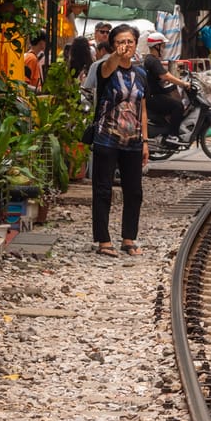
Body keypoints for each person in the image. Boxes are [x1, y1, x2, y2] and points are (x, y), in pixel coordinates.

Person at [89, 25, 148, 256]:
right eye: (121, 42)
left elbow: (143, 108)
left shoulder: (141, 74)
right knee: (103, 190)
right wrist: (116, 55)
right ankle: (103, 241)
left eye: (130, 42)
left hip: (133, 139)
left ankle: (129, 238)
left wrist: (145, 141)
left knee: (134, 191)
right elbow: (107, 68)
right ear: (113, 44)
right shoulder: (105, 68)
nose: (126, 46)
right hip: (106, 138)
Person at [143, 31, 188, 139]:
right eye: (162, 46)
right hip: (153, 96)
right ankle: (173, 135)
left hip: (153, 94)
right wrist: (183, 83)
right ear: (156, 46)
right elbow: (165, 76)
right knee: (178, 106)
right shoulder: (153, 61)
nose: (163, 49)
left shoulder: (151, 60)